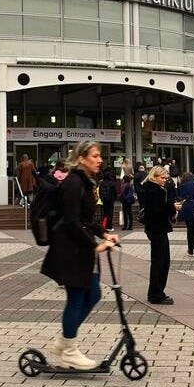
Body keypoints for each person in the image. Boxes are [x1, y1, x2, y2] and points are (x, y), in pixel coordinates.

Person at [40, 140, 119, 370]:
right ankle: (70, 351)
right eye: (95, 156)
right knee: (76, 298)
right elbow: (73, 222)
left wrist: (104, 234)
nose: (100, 159)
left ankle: (64, 341)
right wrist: (96, 246)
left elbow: (87, 219)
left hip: (81, 249)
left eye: (99, 156)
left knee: (93, 295)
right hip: (71, 250)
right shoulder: (73, 183)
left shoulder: (85, 181)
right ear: (82, 158)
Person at [139, 165, 177, 304]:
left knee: (160, 261)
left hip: (154, 229)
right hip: (157, 228)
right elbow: (158, 211)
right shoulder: (155, 191)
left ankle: (156, 292)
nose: (164, 180)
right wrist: (172, 207)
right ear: (154, 177)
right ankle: (156, 293)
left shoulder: (151, 189)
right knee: (161, 261)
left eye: (165, 178)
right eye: (162, 178)